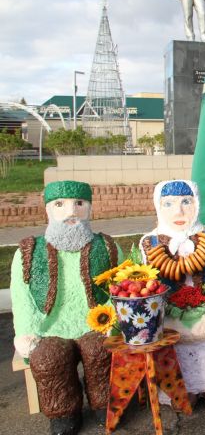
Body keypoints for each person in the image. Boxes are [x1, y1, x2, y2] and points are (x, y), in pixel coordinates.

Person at [10, 181, 121, 435]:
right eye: (60, 204)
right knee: (49, 359)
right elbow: (21, 296)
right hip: (50, 329)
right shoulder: (28, 252)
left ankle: (104, 403)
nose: (71, 212)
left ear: (89, 208)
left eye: (79, 204)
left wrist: (113, 321)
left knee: (101, 351)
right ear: (48, 210)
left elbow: (120, 286)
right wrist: (26, 331)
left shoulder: (107, 247)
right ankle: (63, 411)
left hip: (95, 324)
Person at [140, 180, 205, 406]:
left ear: (196, 203)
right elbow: (149, 286)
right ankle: (178, 387)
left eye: (186, 202)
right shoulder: (150, 242)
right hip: (171, 312)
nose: (179, 211)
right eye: (169, 204)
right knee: (171, 342)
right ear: (158, 206)